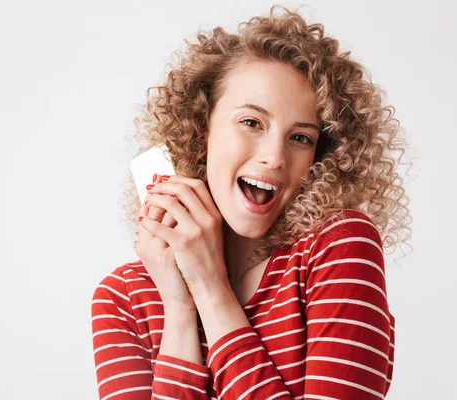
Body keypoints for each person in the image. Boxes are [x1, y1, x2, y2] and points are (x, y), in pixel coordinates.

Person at [91, 4, 413, 399]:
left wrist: (211, 290)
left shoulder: (339, 249)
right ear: (200, 129)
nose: (275, 157)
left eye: (300, 138)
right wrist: (178, 307)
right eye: (251, 123)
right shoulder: (124, 298)